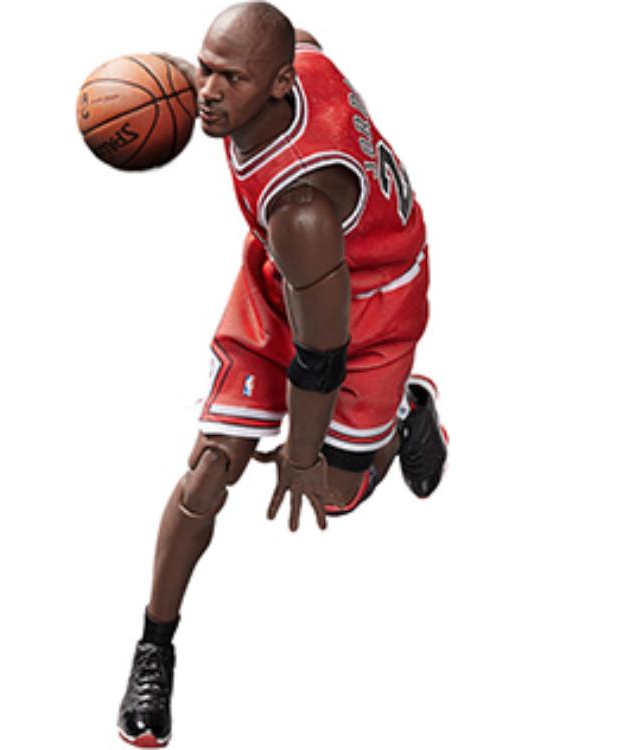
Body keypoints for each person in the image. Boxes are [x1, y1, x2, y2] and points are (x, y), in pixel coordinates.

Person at [117, 3, 448, 746]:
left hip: (370, 302)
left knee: (330, 490)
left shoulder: (302, 206)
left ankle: (406, 415)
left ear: (276, 86)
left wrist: (300, 456)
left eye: (230, 79)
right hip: (289, 275)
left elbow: (320, 355)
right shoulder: (299, 58)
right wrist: (168, 83)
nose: (207, 92)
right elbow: (295, 37)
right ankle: (154, 646)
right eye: (205, 68)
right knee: (208, 471)